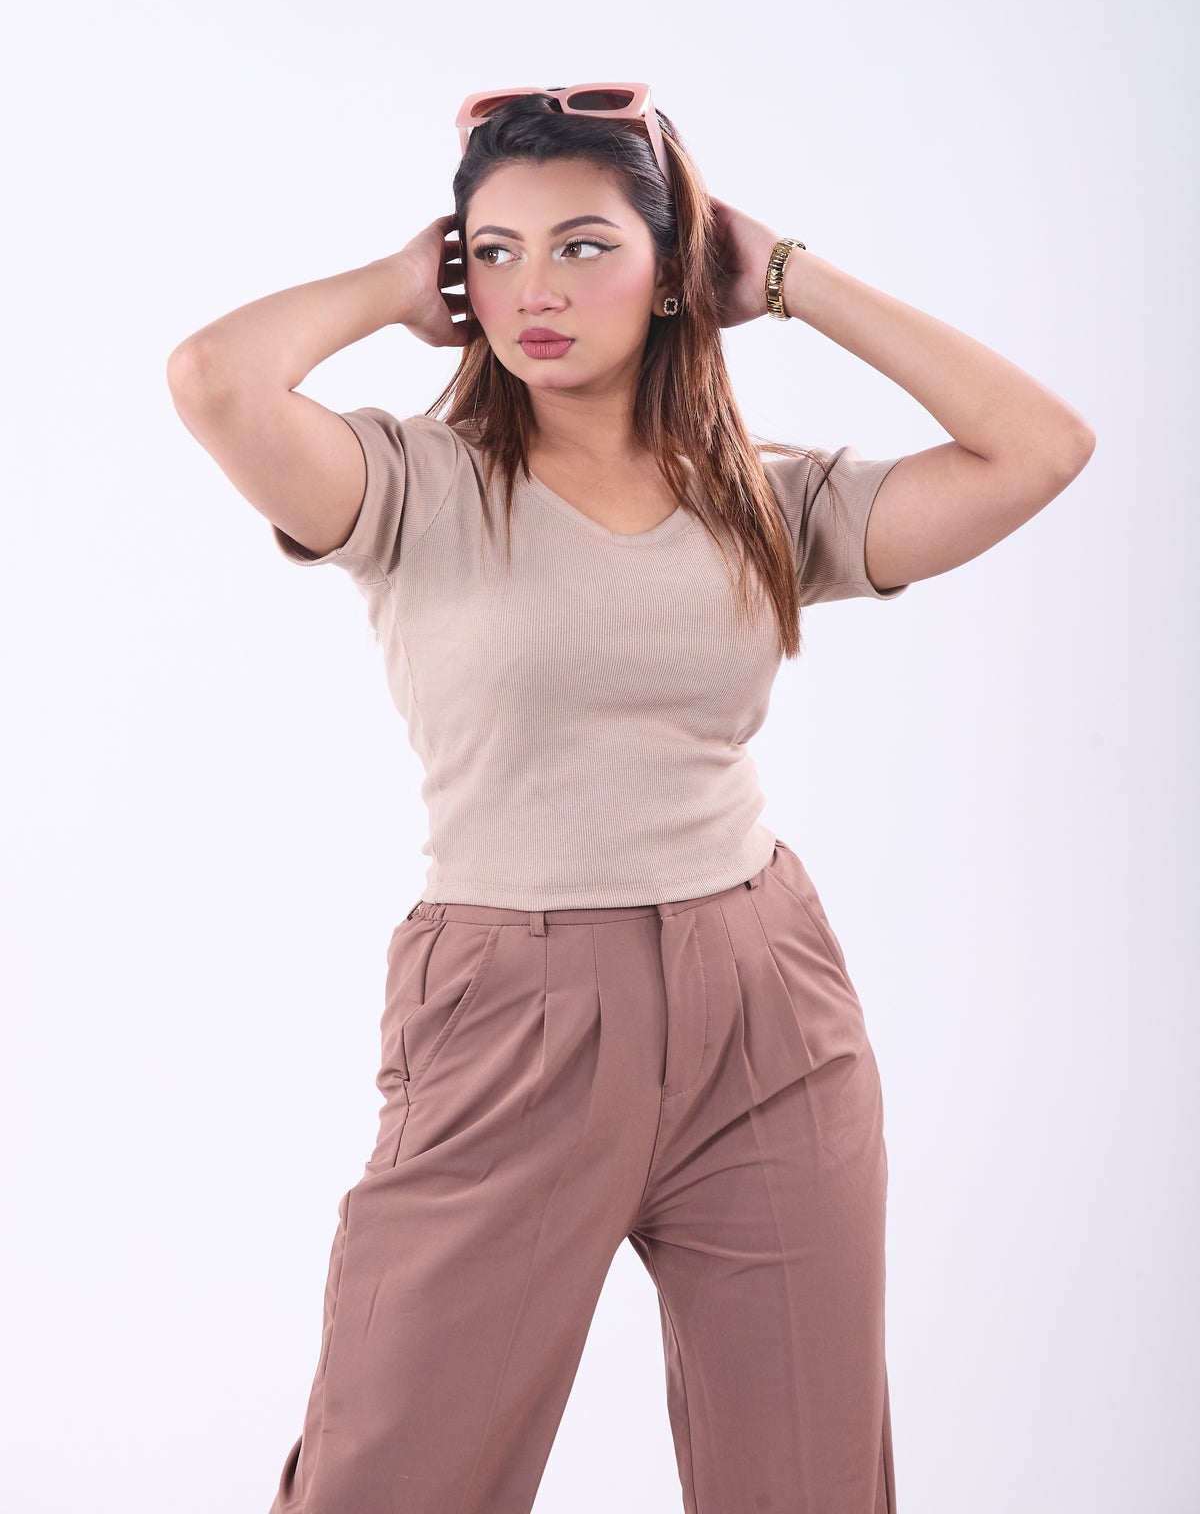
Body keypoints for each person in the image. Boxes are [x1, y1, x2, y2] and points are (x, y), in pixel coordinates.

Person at [166, 84, 1095, 1514]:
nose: (536, 289)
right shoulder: (413, 488)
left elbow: (1041, 448)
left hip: (770, 1011)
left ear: (677, 272)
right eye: (498, 252)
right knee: (391, 1477)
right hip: (512, 1012)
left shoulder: (761, 501)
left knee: (809, 1484)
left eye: (587, 246)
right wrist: (397, 285)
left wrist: (786, 279)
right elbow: (214, 380)